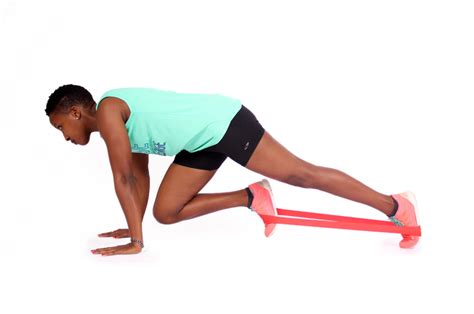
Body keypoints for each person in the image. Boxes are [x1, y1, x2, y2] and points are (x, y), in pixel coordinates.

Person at [45, 84, 420, 256]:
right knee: (167, 211)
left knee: (302, 175)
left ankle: (394, 205)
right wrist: (137, 225)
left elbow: (123, 177)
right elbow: (138, 175)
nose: (64, 136)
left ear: (76, 113)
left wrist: (137, 242)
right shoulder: (117, 123)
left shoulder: (110, 111)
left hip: (222, 124)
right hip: (199, 142)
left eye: (61, 126)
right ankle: (252, 197)